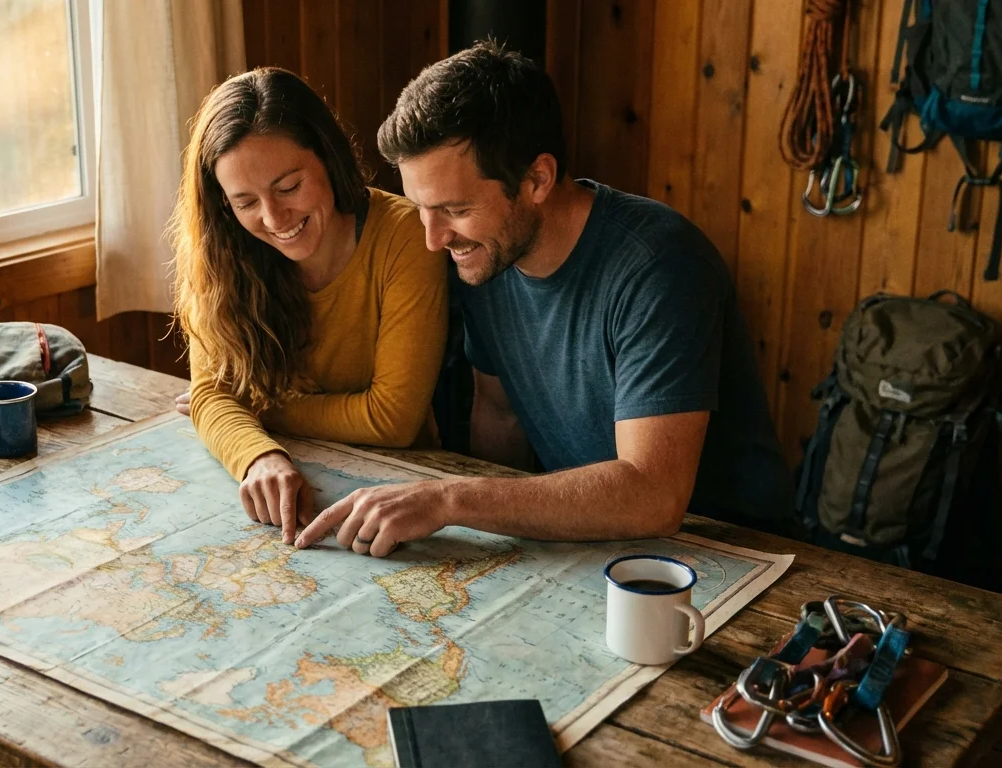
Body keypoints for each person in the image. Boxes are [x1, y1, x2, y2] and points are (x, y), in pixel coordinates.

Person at [294, 42, 794, 558]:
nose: (433, 239)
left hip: (727, 548)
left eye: (455, 209)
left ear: (537, 179)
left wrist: (449, 499)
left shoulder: (660, 265)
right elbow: (499, 413)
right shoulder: (488, 255)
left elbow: (654, 495)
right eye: (422, 209)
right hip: (592, 541)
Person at [170, 67, 449, 545]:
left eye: (289, 187)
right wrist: (258, 455)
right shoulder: (221, 255)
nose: (274, 218)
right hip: (289, 490)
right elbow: (213, 395)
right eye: (245, 202)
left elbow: (391, 418)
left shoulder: (404, 235)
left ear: (327, 156)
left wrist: (260, 407)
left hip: (402, 493)